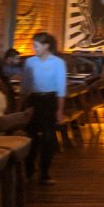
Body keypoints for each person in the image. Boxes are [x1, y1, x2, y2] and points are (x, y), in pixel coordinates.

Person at [20, 32, 67, 185]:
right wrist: (22, 106)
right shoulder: (30, 62)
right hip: (34, 100)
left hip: (50, 101)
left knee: (48, 137)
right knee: (31, 136)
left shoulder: (58, 63)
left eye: (36, 46)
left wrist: (60, 110)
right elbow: (25, 86)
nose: (34, 49)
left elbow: (61, 89)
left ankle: (44, 173)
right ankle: (28, 170)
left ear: (46, 46)